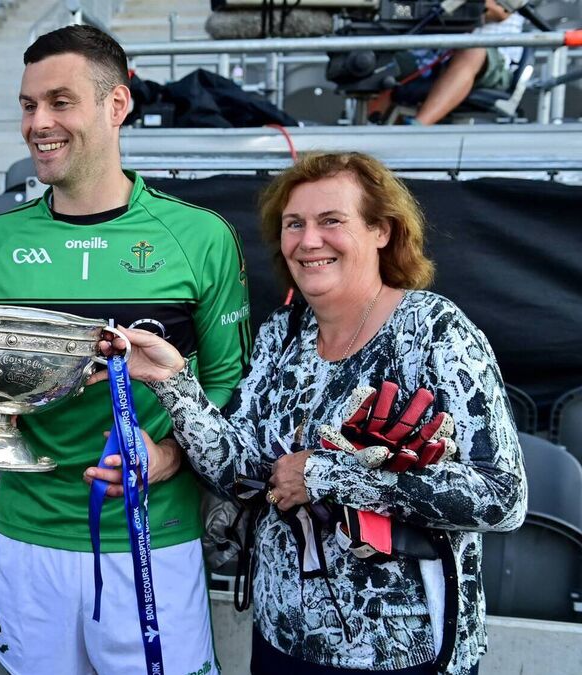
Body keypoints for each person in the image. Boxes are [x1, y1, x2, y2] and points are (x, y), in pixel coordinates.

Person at [91, 151, 527, 674]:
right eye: (294, 224)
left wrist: (324, 476)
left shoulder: (435, 332)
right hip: (280, 639)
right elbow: (239, 472)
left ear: (382, 230)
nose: (309, 240)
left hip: (402, 652)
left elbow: (503, 497)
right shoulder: (283, 332)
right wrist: (171, 381)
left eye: (331, 221)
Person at [0, 25, 252, 674]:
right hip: (27, 534)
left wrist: (169, 457)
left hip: (154, 537)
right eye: (28, 105)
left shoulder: (199, 237)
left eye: (61, 102)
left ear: (117, 105)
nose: (38, 123)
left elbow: (230, 385)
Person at [390, 0, 525, 125]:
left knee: (472, 50)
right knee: (383, 56)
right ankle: (380, 126)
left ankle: (417, 127)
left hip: (491, 59)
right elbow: (402, 10)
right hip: (428, 50)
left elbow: (499, 12)